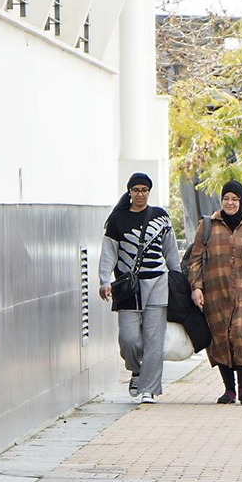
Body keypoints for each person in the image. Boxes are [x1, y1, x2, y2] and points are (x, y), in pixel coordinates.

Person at [186, 180, 242, 404]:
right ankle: (229, 389)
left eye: (234, 199)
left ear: (241, 201)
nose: (230, 203)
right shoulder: (207, 227)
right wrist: (196, 287)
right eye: (226, 199)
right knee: (220, 338)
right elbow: (194, 261)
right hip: (215, 292)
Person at [98, 173, 173, 404]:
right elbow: (109, 252)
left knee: (154, 339)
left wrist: (178, 278)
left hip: (158, 283)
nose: (140, 194)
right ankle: (137, 370)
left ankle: (149, 389)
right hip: (128, 288)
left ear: (149, 192)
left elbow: (170, 251)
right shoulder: (117, 219)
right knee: (129, 339)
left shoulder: (161, 217)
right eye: (136, 190)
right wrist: (104, 280)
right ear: (129, 192)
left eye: (144, 190)